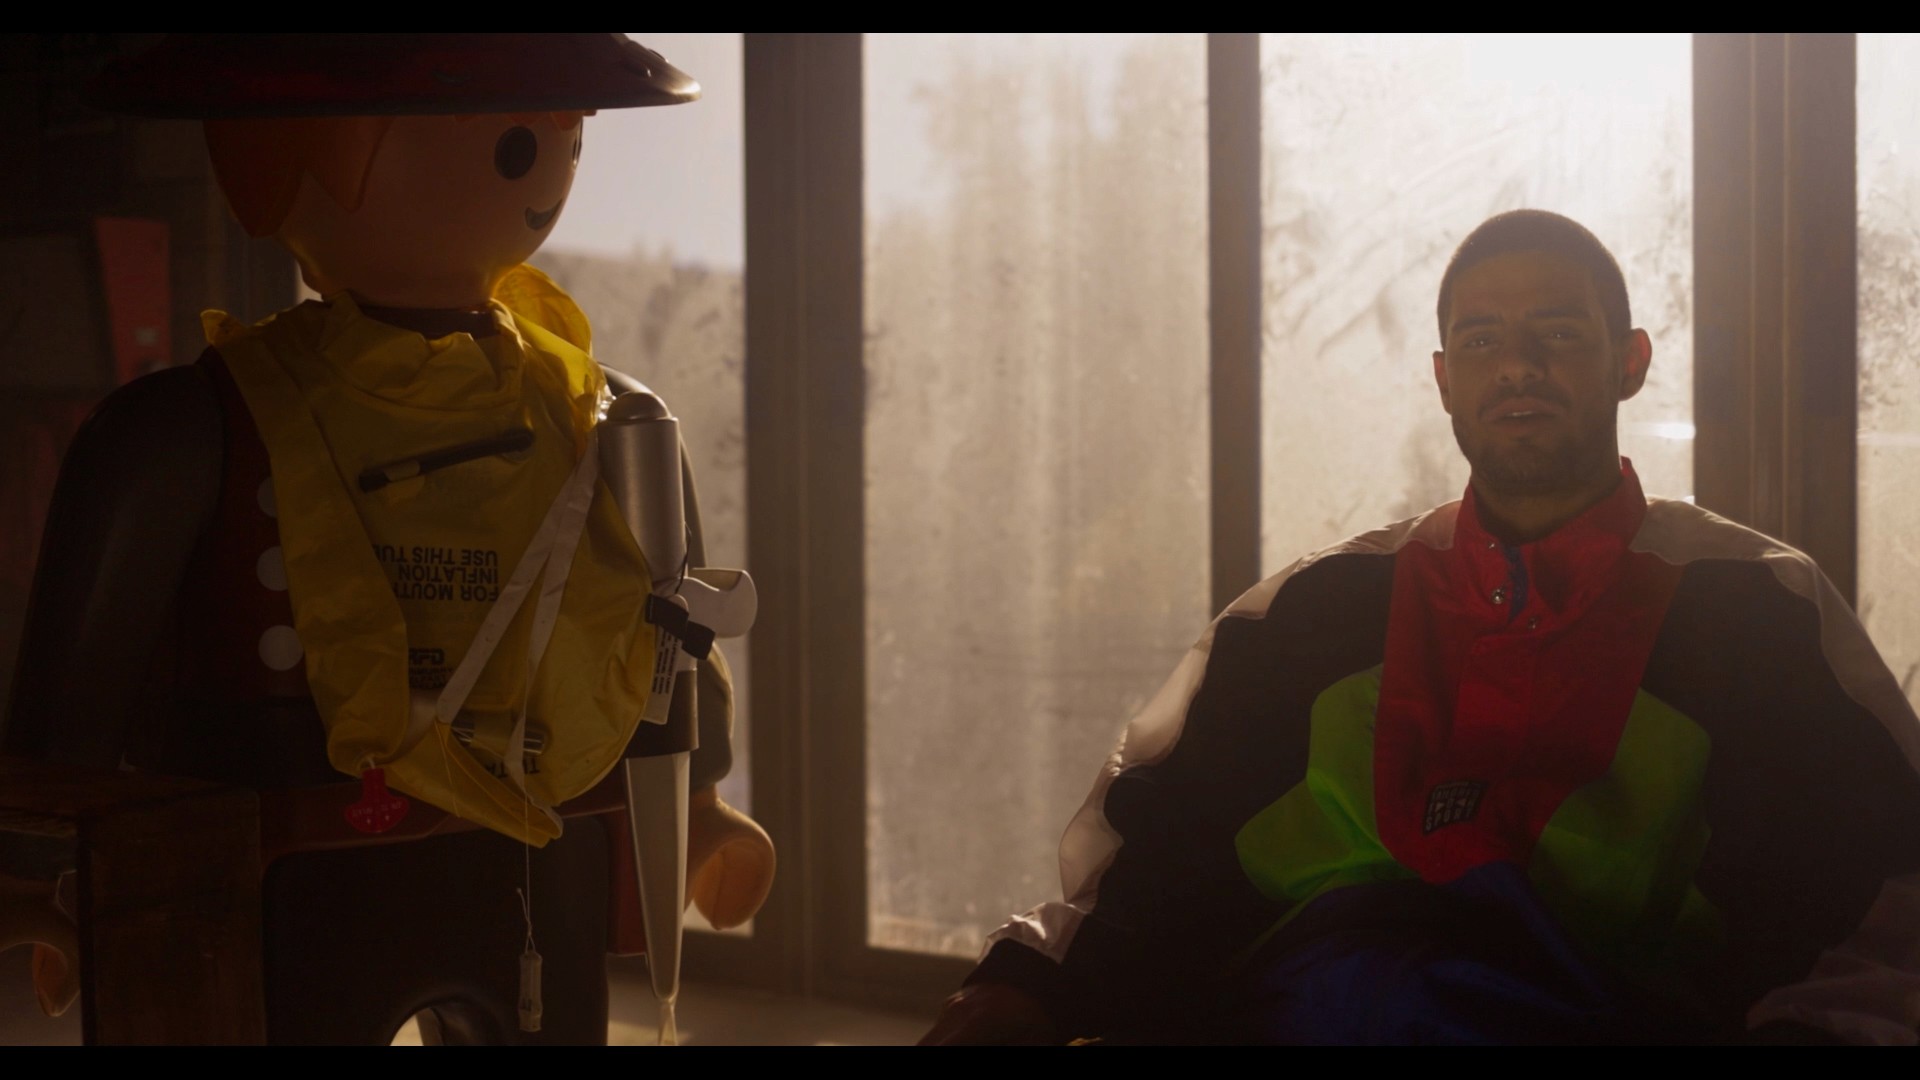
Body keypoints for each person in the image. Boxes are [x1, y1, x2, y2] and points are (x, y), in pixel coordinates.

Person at [921, 209, 1920, 1046]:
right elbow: (1142, 866)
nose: (1517, 365)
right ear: (1444, 380)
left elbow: (1882, 898)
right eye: (1482, 339)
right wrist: (1020, 985)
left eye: (1559, 332)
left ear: (1630, 361)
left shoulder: (1757, 612)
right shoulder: (1310, 615)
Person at [0, 34, 771, 1044]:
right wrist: (38, 865)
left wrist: (697, 798)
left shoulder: (605, 416)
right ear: (281, 159)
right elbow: (79, 673)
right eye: (511, 139)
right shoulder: (198, 428)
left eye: (565, 138)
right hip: (287, 841)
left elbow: (675, 623)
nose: (545, 168)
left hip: (545, 826)